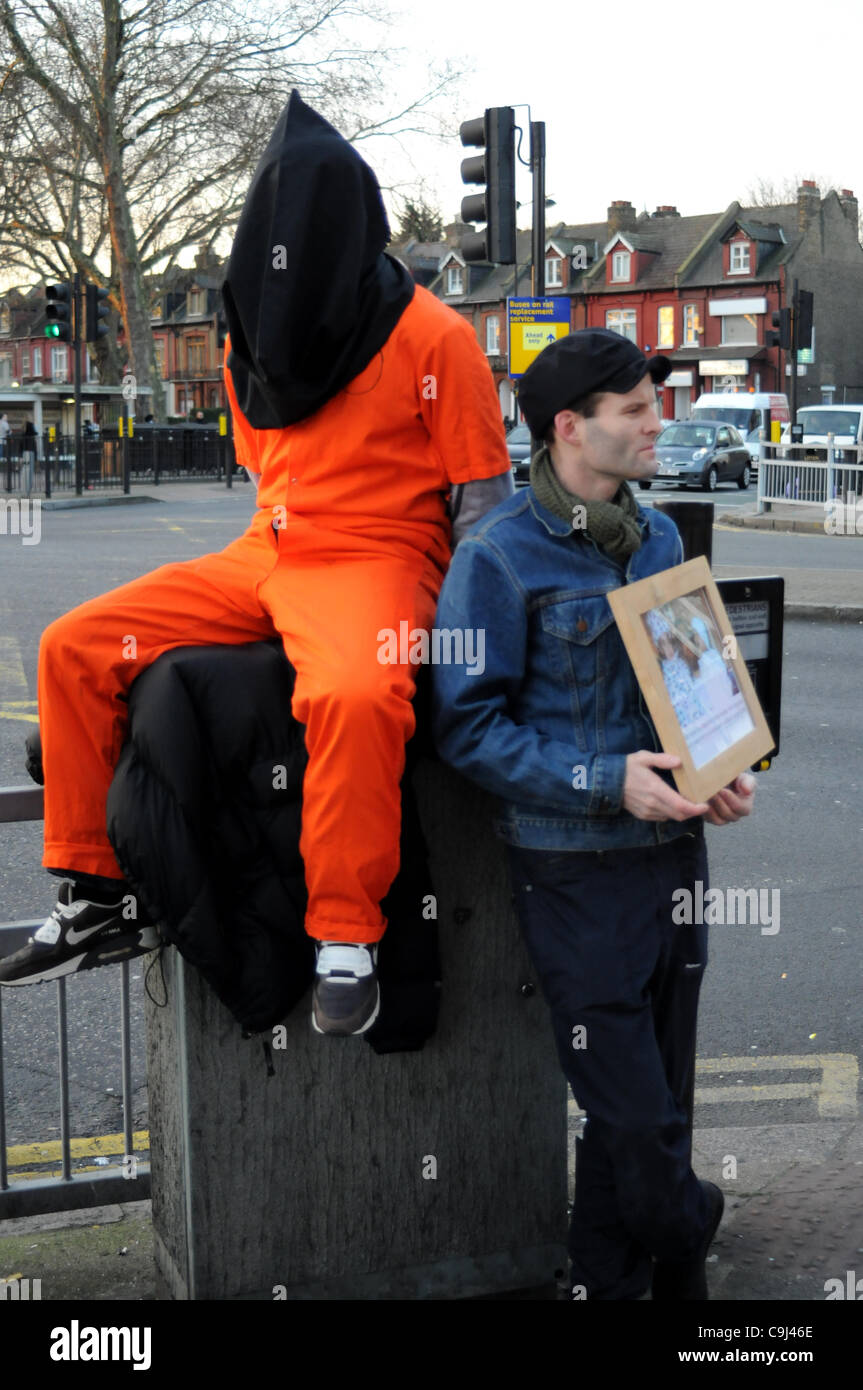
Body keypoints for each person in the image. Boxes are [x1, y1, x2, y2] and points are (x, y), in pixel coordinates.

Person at [0, 92, 514, 1038]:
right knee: (74, 646)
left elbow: (481, 509)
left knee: (357, 697)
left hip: (377, 554)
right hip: (270, 545)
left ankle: (346, 935)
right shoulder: (250, 336)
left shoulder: (435, 337)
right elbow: (264, 467)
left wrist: (471, 640)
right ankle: (95, 886)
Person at [431, 328, 756, 1300]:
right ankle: (690, 1222)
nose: (658, 422)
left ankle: (625, 1291)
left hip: (674, 859)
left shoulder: (655, 536)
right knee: (637, 1127)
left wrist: (728, 767)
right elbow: (464, 726)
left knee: (651, 1109)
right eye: (634, 410)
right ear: (569, 428)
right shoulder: (494, 559)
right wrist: (601, 778)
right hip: (572, 873)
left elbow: (696, 681)